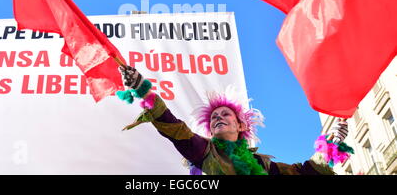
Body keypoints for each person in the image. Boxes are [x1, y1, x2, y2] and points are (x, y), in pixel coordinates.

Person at [117, 66, 349, 175]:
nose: (218, 118)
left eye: (225, 114)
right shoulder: (205, 153)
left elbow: (305, 173)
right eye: (214, 118)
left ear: (242, 125)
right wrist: (143, 90)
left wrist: (330, 147)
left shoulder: (264, 165)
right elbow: (176, 129)